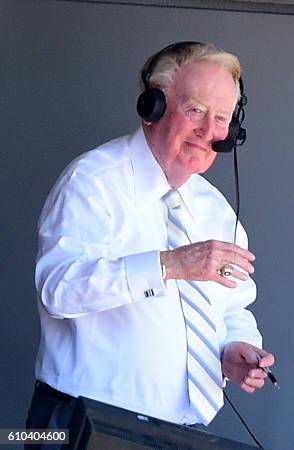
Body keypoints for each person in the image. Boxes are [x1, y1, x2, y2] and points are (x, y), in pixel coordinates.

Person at [26, 42, 275, 439]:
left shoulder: (216, 209)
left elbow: (233, 306)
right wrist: (169, 265)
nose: (208, 130)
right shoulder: (92, 181)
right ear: (152, 107)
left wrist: (235, 348)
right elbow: (58, 290)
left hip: (183, 431)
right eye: (195, 109)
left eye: (222, 118)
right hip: (83, 422)